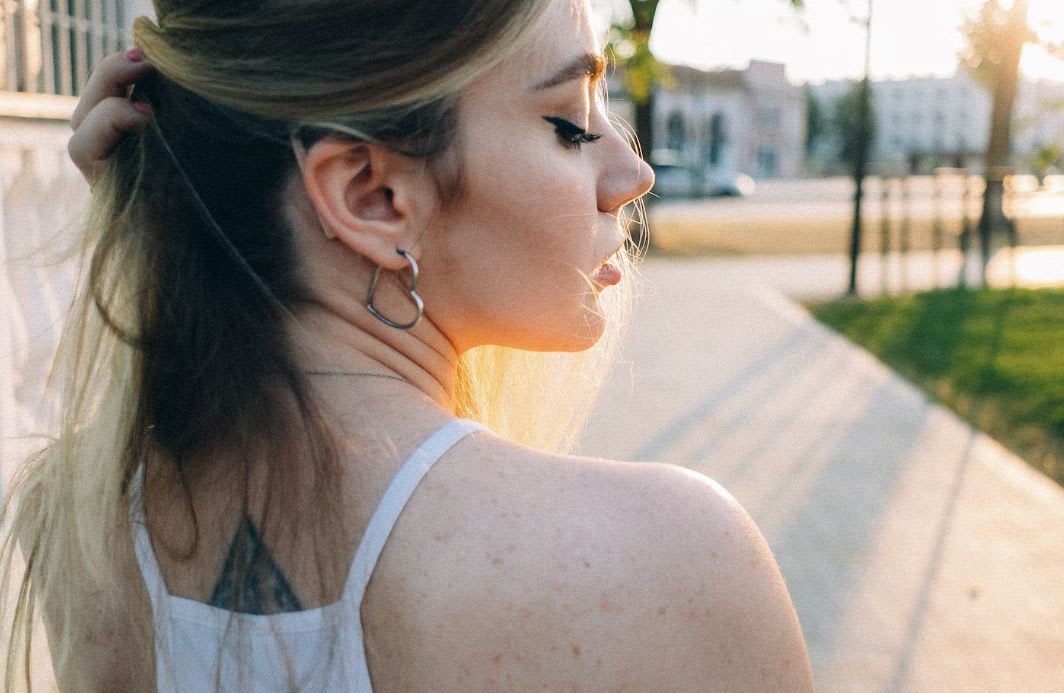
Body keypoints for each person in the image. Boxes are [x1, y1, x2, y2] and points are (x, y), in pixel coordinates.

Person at [3, 0, 813, 690]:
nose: (631, 172)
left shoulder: (77, 526)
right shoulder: (666, 564)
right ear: (373, 196)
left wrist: (164, 251)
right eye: (569, 123)